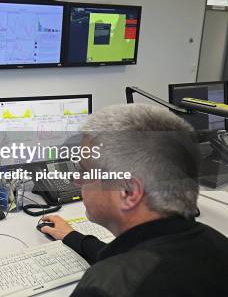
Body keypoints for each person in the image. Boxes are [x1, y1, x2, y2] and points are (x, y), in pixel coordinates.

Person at [39, 104, 228, 296]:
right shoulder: (216, 245)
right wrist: (72, 237)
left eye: (85, 171)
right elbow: (142, 261)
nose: (78, 181)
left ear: (128, 192)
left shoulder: (103, 288)